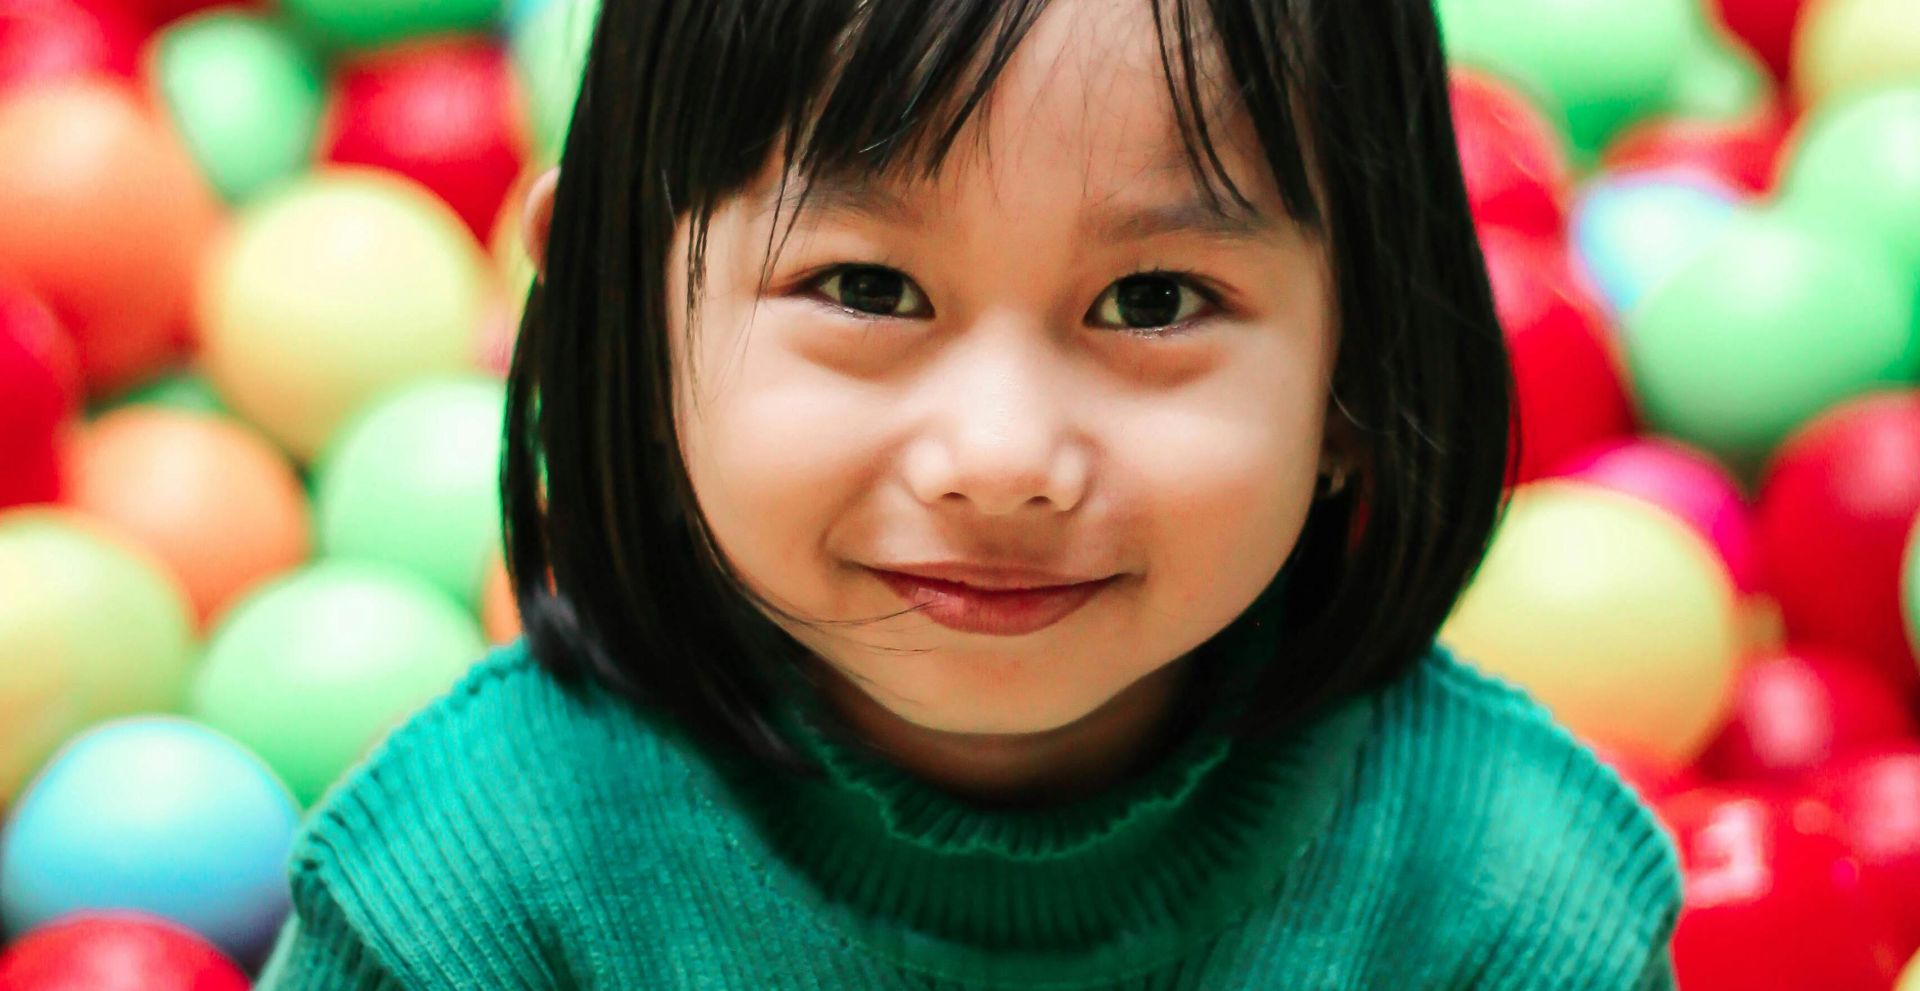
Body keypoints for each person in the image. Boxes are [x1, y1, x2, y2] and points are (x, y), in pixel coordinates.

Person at [256, 0, 1683, 987]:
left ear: (1365, 358)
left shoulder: (1508, 910)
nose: (1001, 456)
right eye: (866, 289)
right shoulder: (468, 903)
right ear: (619, 313)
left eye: (1154, 299)